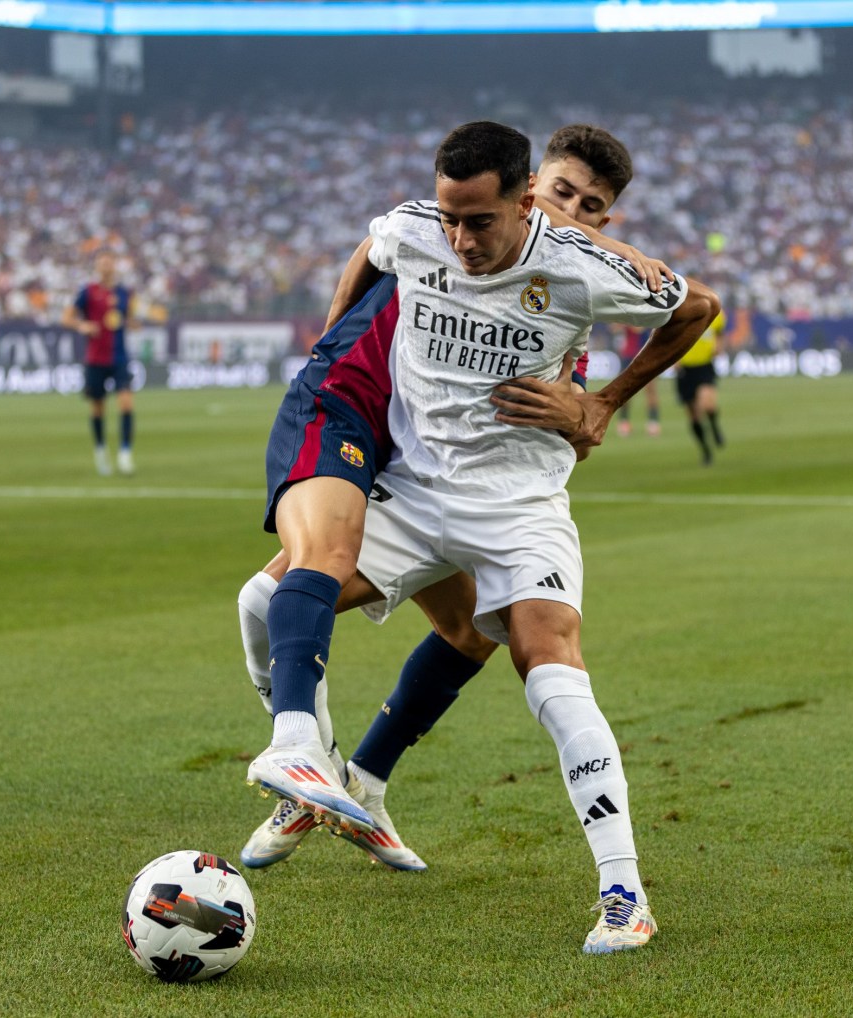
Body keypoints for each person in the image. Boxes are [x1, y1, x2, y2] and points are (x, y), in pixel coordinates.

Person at [246, 121, 720, 953]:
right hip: (417, 491)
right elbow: (374, 246)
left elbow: (699, 308)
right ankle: (313, 771)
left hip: (519, 503)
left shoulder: (585, 266)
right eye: (452, 220)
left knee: (551, 664)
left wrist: (602, 402)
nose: (460, 239)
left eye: (479, 223)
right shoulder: (420, 226)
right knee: (267, 596)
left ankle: (624, 891)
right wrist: (333, 336)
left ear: (521, 200)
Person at [62, 251, 136, 475]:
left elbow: (129, 319)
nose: (105, 267)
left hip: (120, 356)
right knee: (98, 407)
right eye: (101, 263)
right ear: (97, 267)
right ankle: (101, 450)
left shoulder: (123, 293)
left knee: (126, 403)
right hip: (95, 358)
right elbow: (67, 318)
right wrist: (82, 326)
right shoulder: (88, 292)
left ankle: (125, 453)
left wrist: (134, 324)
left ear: (114, 266)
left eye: (109, 263)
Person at [675, 306, 725, 464]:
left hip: (704, 365)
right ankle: (705, 450)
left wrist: (718, 346)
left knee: (707, 405)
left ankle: (714, 425)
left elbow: (718, 332)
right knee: (694, 415)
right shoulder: (677, 313)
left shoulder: (713, 311)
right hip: (685, 369)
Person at [614, 325, 661, 437]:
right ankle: (624, 422)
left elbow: (641, 329)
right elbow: (615, 327)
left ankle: (653, 422)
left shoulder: (647, 313)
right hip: (629, 355)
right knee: (625, 391)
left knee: (650, 389)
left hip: (645, 354)